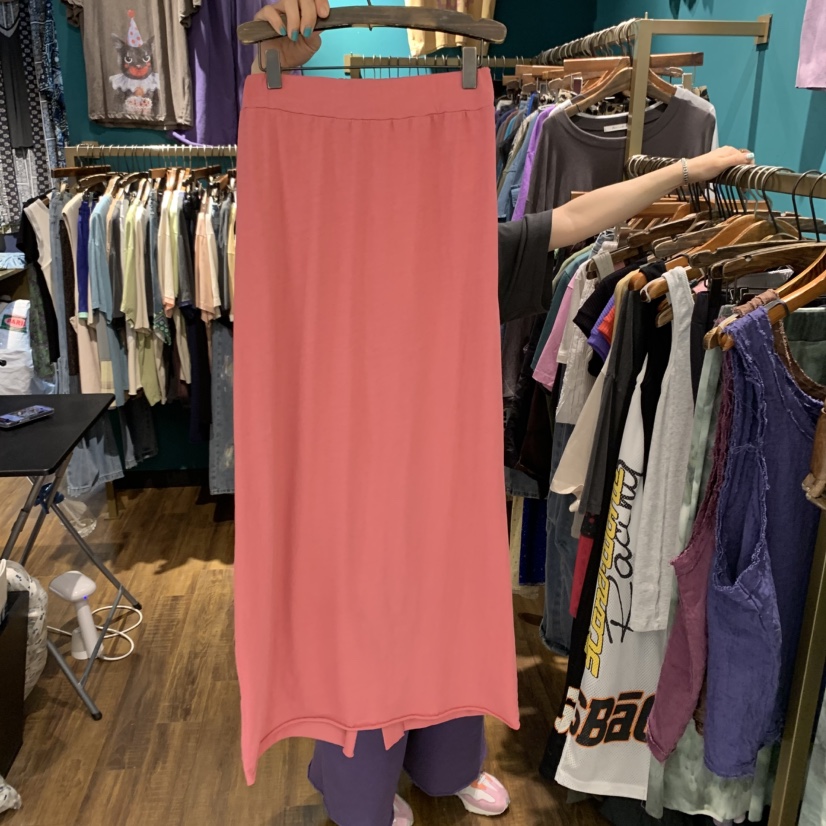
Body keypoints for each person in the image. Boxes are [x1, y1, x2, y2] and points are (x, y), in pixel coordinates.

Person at [244, 3, 755, 824]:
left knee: (445, 610)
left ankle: (444, 763)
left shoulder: (462, 248)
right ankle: (356, 779)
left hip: (438, 480)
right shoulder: (316, 259)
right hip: (345, 492)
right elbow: (280, 177)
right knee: (361, 629)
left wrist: (686, 173)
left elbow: (573, 220)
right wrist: (280, 69)